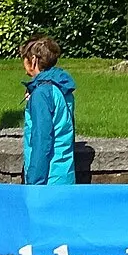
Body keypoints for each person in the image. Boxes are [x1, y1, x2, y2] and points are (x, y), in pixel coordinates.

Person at [20, 36, 77, 186]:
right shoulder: (61, 87)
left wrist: (34, 183)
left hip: (47, 181)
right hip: (64, 175)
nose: (24, 67)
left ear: (33, 60)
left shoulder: (41, 94)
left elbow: (42, 139)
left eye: (24, 60)